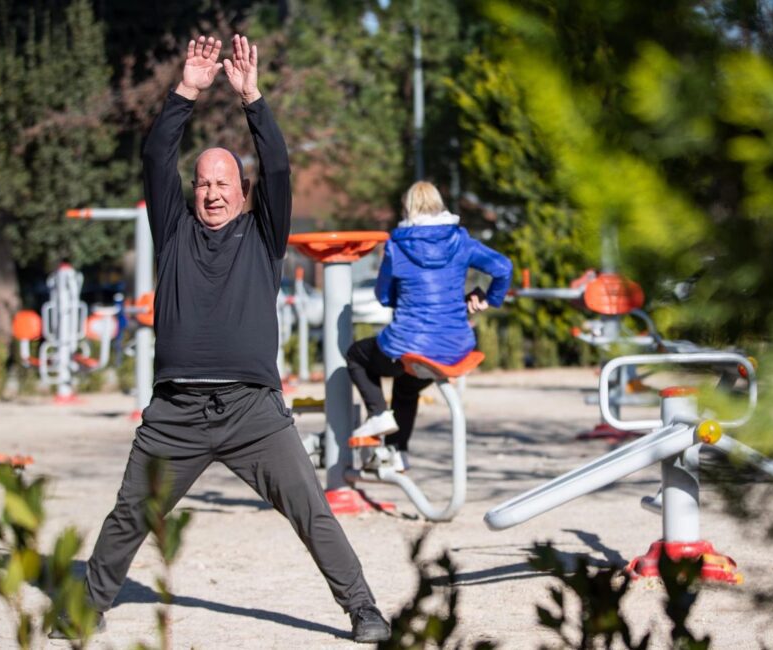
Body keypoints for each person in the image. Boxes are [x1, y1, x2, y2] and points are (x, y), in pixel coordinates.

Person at [50, 35, 391, 643]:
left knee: (312, 512)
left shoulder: (263, 235)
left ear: (241, 191)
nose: (211, 192)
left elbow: (279, 166)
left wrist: (251, 98)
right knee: (131, 512)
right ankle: (86, 607)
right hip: (175, 414)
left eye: (223, 183)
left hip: (252, 411)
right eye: (203, 182)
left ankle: (364, 610)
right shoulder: (175, 231)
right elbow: (157, 157)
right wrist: (186, 90)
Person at [346, 181, 513, 471]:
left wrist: (408, 296)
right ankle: (397, 451)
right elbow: (504, 268)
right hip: (456, 347)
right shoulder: (460, 240)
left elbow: (384, 296)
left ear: (407, 207)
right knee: (407, 388)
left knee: (356, 355)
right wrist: (487, 298)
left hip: (409, 345)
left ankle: (378, 414)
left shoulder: (397, 245)